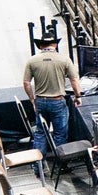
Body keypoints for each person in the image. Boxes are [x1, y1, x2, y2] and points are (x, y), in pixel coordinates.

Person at [22, 28, 81, 160]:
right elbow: (74, 79)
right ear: (54, 45)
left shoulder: (32, 61)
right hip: (57, 100)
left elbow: (26, 83)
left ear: (41, 45)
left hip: (41, 101)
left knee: (40, 133)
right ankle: (60, 164)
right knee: (60, 133)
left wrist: (32, 100)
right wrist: (78, 96)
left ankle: (37, 164)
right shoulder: (64, 59)